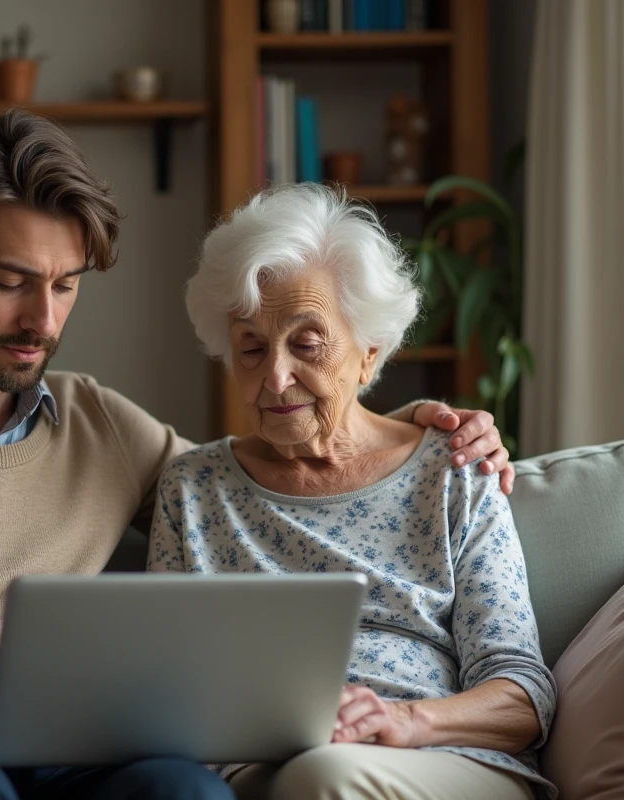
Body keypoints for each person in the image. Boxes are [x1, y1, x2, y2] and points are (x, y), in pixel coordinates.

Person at [0, 109, 515, 800]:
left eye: (65, 285)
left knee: (182, 788)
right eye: (11, 282)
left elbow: (264, 466)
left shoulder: (97, 423)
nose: (44, 318)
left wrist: (409, 427)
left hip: (70, 761)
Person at [148, 182, 555, 800]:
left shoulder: (454, 471)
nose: (276, 377)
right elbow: (165, 685)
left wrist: (406, 722)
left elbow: (523, 693)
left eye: (307, 344)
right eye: (251, 348)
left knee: (322, 775)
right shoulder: (194, 487)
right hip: (258, 770)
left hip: (437, 758)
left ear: (369, 355)